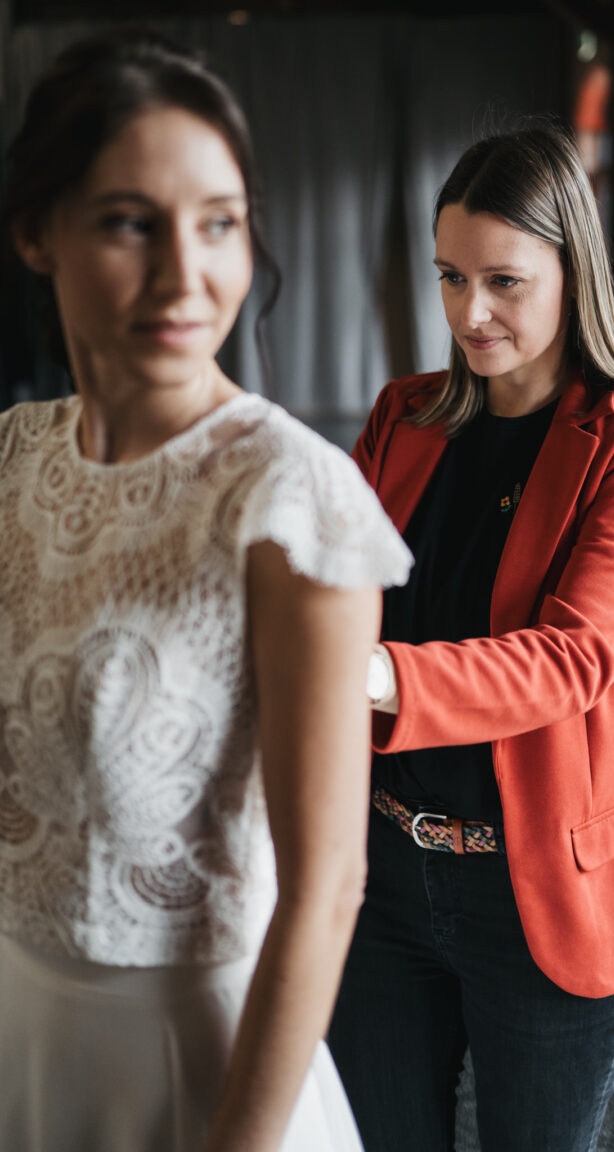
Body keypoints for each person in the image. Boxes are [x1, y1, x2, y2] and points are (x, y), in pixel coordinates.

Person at [0, 32, 411, 1152]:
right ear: (37, 231)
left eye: (221, 223)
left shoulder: (288, 498)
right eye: (131, 221)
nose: (188, 277)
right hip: (19, 1035)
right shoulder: (11, 462)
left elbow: (328, 888)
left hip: (197, 1061)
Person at [328, 121, 614, 1152]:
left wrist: (368, 674)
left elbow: (575, 658)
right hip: (387, 878)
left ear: (575, 273)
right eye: (449, 277)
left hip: (547, 888)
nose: (469, 313)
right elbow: (331, 589)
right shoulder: (405, 418)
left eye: (504, 281)